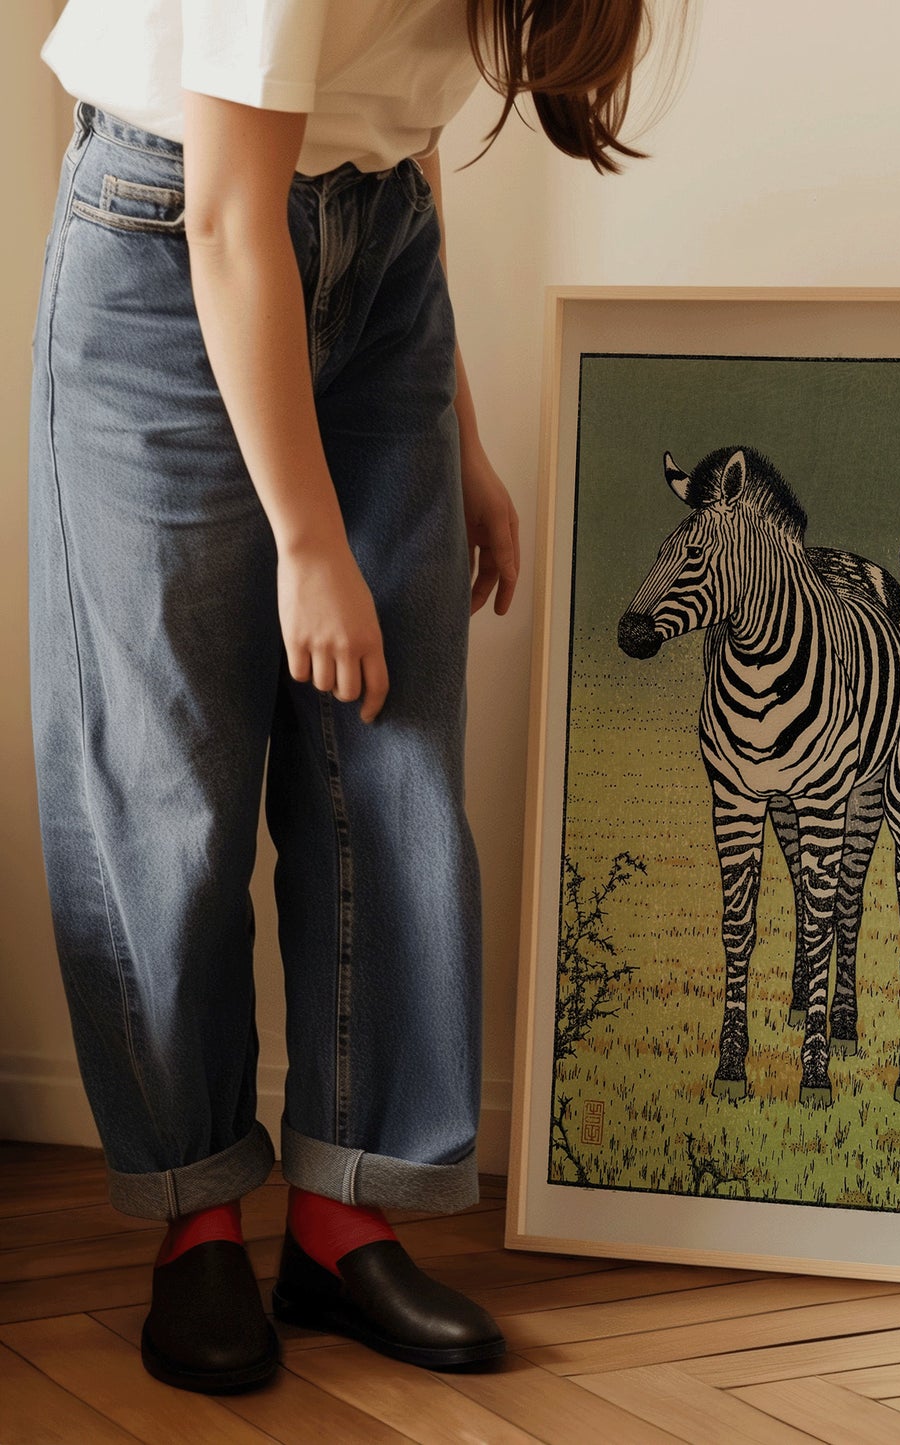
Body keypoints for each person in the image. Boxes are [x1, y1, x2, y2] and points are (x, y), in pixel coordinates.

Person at [30, 0, 690, 1396]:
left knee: (389, 770)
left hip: (377, 258)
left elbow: (390, 142)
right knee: (169, 782)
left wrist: (462, 438)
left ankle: (340, 1215)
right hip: (168, 250)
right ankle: (197, 1217)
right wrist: (308, 541)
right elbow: (225, 217)